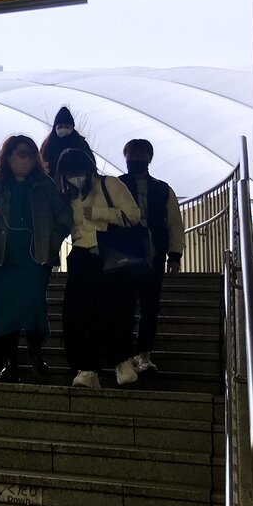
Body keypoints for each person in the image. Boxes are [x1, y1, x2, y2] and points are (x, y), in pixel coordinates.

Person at [0, 135, 73, 383]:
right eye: (20, 154)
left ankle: (37, 358)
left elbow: (65, 216)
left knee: (34, 309)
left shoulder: (44, 184)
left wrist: (53, 240)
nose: (25, 160)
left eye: (30, 154)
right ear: (7, 157)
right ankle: (11, 365)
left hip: (35, 261)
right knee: (4, 313)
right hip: (1, 261)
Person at [55, 148, 141, 388]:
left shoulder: (109, 184)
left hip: (110, 256)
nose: (74, 178)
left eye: (77, 172)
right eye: (69, 174)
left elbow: (133, 215)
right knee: (77, 315)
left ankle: (122, 362)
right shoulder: (68, 195)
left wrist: (98, 213)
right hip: (81, 256)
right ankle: (86, 369)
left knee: (115, 310)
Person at [119, 138, 186, 374]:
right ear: (126, 158)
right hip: (123, 253)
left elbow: (174, 223)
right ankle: (125, 354)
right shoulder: (116, 185)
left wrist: (174, 255)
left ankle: (144, 353)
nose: (136, 158)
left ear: (149, 158)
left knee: (150, 305)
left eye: (141, 154)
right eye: (132, 154)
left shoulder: (163, 189)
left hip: (153, 254)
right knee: (124, 304)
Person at [40, 106, 95, 178]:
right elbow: (41, 165)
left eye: (67, 127)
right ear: (55, 128)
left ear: (72, 128)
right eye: (60, 127)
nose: (63, 130)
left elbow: (91, 165)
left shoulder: (81, 143)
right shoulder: (47, 145)